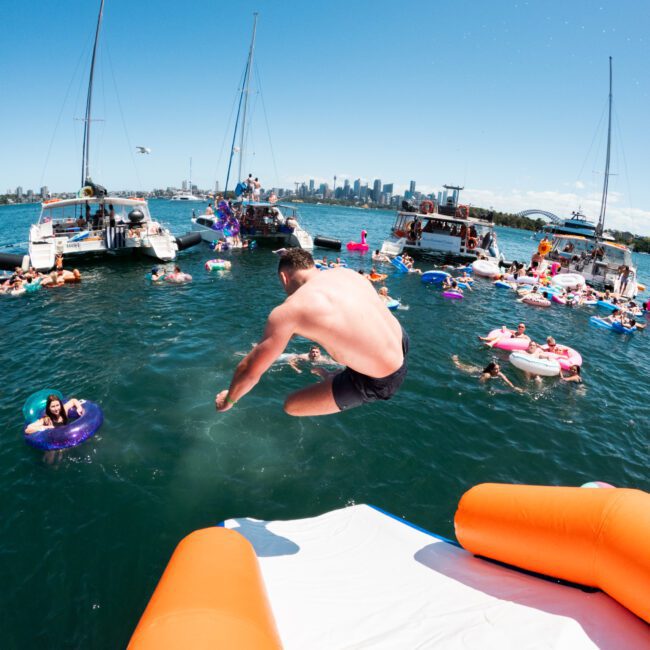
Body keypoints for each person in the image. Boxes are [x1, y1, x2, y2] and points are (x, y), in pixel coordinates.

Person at [215, 249, 408, 416]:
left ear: (284, 277)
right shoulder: (346, 273)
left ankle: (348, 376)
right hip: (400, 342)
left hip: (384, 377)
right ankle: (345, 373)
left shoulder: (290, 309)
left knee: (292, 405)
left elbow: (248, 370)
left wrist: (229, 400)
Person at [451, 355, 522, 392]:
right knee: (460, 368)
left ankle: (457, 361)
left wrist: (513, 387)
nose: (497, 371)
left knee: (466, 366)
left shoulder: (499, 373)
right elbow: (480, 382)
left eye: (498, 369)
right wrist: (484, 388)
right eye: (495, 369)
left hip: (482, 370)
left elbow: (507, 380)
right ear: (491, 370)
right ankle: (455, 361)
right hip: (476, 372)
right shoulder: (487, 375)